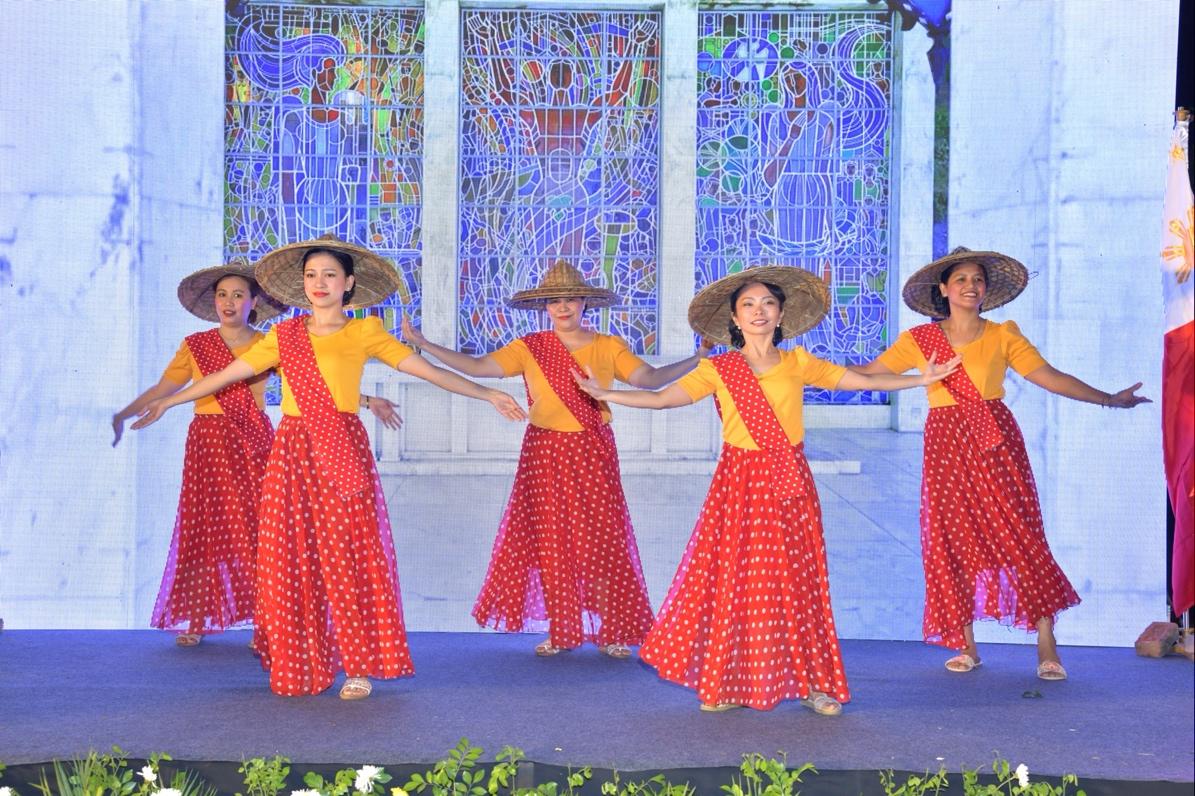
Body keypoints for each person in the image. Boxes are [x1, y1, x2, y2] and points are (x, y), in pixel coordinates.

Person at [134, 235, 526, 698]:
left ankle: (357, 665)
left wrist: (486, 393)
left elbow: (426, 371)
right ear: (302, 285)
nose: (319, 283)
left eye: (329, 275)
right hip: (292, 454)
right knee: (289, 558)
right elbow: (226, 376)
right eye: (311, 275)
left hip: (341, 445)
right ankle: (300, 661)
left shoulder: (366, 332)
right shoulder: (285, 335)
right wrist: (169, 402)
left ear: (349, 283)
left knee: (347, 556)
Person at [574, 266, 960, 713]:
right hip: (738, 484)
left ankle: (817, 686)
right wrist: (606, 394)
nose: (758, 312)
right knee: (735, 582)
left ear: (780, 315)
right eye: (748, 305)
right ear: (735, 320)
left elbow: (865, 381)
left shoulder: (798, 362)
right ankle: (728, 684)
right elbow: (662, 399)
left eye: (767, 304)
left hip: (790, 483)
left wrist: (920, 379)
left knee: (800, 582)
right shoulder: (719, 369)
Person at [851, 247, 1149, 680]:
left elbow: (1049, 376)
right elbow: (872, 374)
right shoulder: (920, 341)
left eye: (978, 280)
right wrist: (799, 372)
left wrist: (1109, 399)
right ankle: (967, 646)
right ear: (943, 289)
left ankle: (1047, 643)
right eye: (961, 280)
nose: (971, 286)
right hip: (946, 447)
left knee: (1019, 536)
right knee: (954, 541)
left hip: (996, 443)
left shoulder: (1003, 333)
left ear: (986, 289)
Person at [403, 261, 710, 657]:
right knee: (550, 541)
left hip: (592, 450)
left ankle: (612, 629)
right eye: (554, 301)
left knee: (603, 541)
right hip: (543, 451)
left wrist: (698, 357)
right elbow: (479, 368)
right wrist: (427, 345)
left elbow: (648, 380)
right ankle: (562, 628)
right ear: (544, 307)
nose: (562, 308)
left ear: (585, 303)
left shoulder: (607, 345)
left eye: (570, 299)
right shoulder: (529, 347)